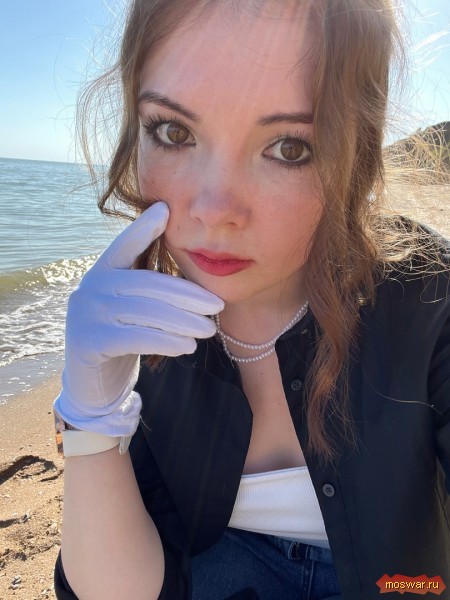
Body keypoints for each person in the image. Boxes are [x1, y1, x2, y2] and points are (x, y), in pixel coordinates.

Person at [53, 0, 450, 598]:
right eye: (174, 132)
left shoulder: (428, 295)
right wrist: (90, 416)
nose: (215, 210)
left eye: (290, 147)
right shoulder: (138, 324)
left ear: (357, 155)